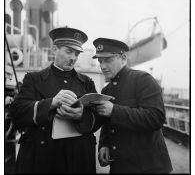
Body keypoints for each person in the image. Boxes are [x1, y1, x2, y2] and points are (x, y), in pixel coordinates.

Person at [9, 27, 102, 173]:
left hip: (76, 160)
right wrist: (51, 103)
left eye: (77, 53)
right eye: (68, 51)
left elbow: (98, 117)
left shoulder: (87, 83)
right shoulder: (33, 79)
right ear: (54, 49)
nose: (73, 58)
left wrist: (81, 115)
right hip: (42, 158)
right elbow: (17, 112)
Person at [92, 37, 173, 173]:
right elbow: (107, 123)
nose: (103, 66)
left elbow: (157, 118)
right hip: (120, 166)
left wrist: (114, 111)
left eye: (108, 60)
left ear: (123, 58)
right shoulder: (106, 90)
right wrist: (104, 144)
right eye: (100, 61)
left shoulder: (143, 80)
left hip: (149, 167)